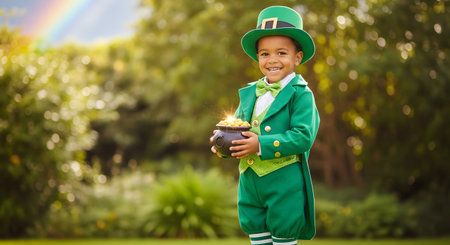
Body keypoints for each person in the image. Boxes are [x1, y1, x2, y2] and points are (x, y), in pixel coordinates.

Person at [211, 6, 320, 245]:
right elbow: (237, 129)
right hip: (250, 181)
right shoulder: (250, 92)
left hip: (283, 181)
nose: (272, 60)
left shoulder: (301, 94)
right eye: (264, 54)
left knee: (283, 234)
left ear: (297, 57)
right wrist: (224, 144)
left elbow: (303, 136)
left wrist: (260, 143)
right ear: (258, 57)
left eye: (281, 53)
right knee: (257, 235)